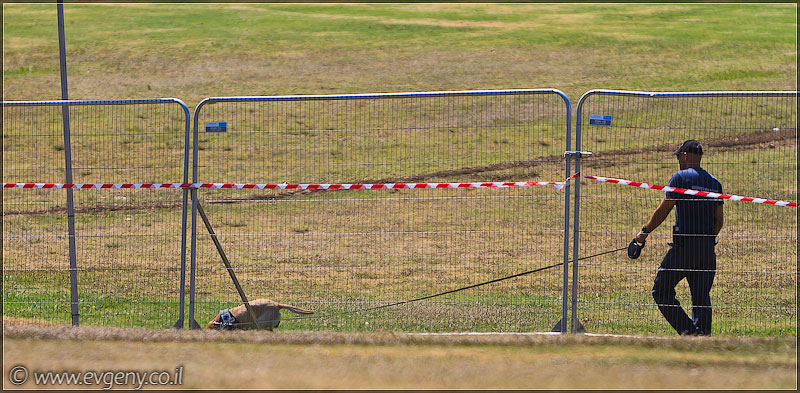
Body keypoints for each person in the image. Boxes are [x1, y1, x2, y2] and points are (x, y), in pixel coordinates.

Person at [635, 140, 724, 336]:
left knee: (661, 290)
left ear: (685, 155)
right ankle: (703, 339)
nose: (678, 160)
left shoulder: (680, 178)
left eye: (678, 156)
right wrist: (707, 240)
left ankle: (690, 334)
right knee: (701, 297)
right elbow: (719, 221)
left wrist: (644, 232)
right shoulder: (715, 183)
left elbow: (664, 210)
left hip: (684, 248)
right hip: (707, 249)